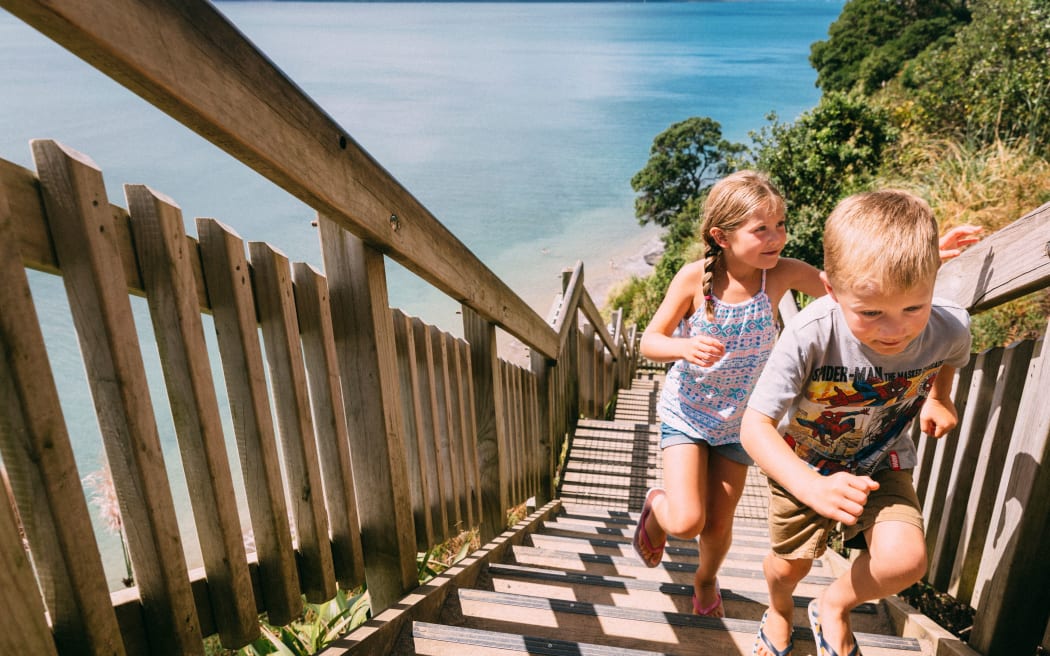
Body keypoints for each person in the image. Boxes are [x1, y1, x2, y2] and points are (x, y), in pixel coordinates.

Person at [740, 189, 972, 656]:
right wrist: (811, 486)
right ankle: (781, 609)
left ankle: (833, 605)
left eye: (914, 307)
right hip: (803, 462)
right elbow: (754, 426)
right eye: (870, 313)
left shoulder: (949, 325)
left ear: (933, 281)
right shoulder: (810, 333)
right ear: (831, 290)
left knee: (905, 561)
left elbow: (950, 354)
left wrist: (940, 398)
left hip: (881, 459)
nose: (896, 330)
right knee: (790, 567)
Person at [632, 170, 827, 617]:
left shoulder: (779, 274)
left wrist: (923, 258)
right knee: (687, 521)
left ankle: (705, 580)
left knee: (719, 525)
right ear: (721, 236)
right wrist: (683, 347)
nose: (776, 237)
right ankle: (657, 507)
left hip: (741, 422)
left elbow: (846, 287)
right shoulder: (691, 278)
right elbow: (649, 341)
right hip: (688, 413)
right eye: (761, 229)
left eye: (780, 224)